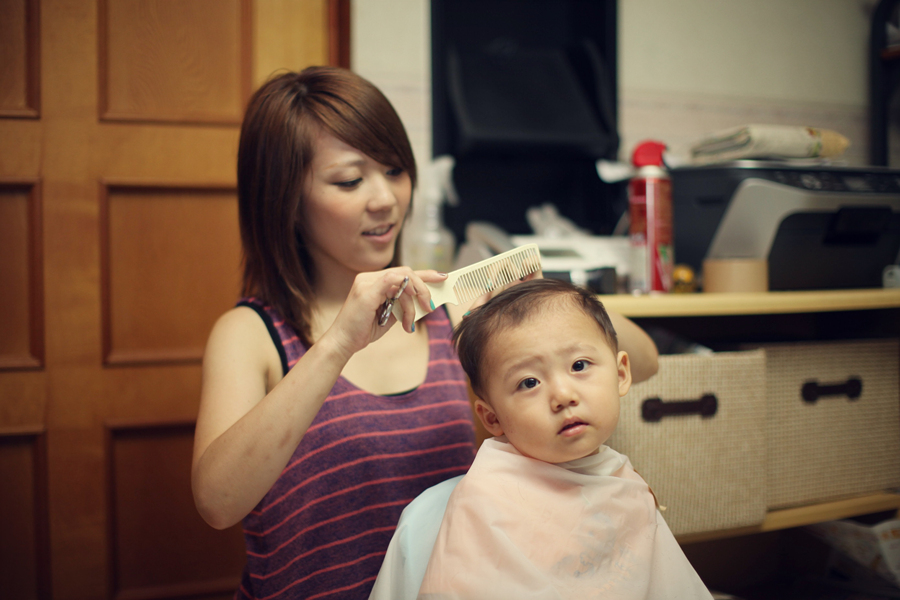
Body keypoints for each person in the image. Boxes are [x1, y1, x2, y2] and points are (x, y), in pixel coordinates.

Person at [191, 66, 660, 600]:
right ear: (287, 200)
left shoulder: (452, 314)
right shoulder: (251, 334)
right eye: (349, 181)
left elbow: (642, 361)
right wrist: (338, 344)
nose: (385, 199)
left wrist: (555, 300)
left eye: (394, 170)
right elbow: (218, 503)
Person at [372, 279, 710, 600]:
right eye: (529, 383)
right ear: (492, 418)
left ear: (621, 374)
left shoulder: (625, 483)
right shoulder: (483, 505)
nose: (562, 395)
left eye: (579, 365)